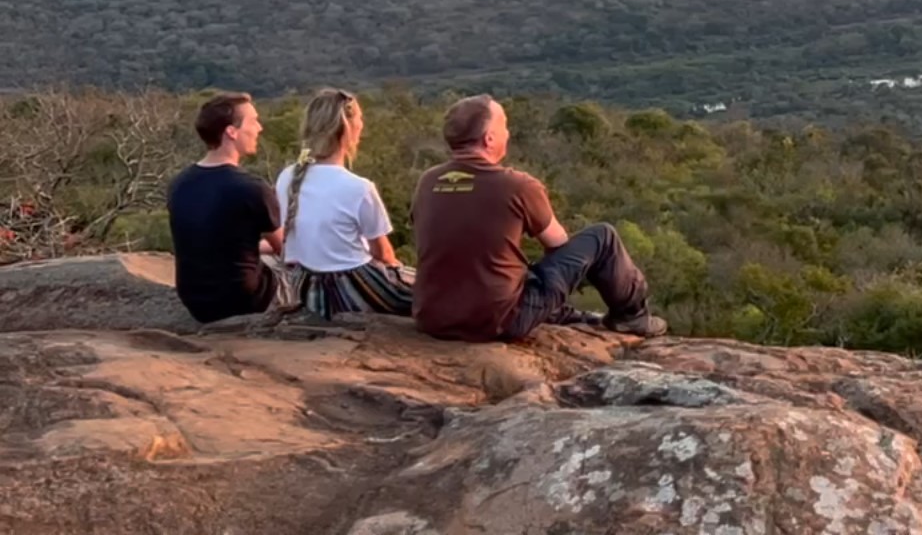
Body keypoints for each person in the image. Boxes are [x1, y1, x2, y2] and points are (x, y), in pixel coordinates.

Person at [410, 95, 665, 342]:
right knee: (603, 237)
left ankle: (558, 313)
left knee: (511, 270)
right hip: (497, 322)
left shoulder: (427, 181)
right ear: (489, 139)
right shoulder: (517, 185)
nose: (508, 134)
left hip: (433, 319)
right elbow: (558, 244)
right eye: (504, 126)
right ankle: (633, 316)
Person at [279, 89, 415, 317]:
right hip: (353, 285)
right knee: (428, 290)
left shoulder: (287, 176)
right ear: (347, 127)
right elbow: (383, 253)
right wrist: (397, 272)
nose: (362, 123)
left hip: (304, 284)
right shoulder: (359, 187)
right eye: (359, 118)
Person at [166, 93, 286, 323]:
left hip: (195, 301)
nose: (259, 128)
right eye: (253, 121)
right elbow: (287, 250)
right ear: (232, 132)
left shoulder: (179, 184)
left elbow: (217, 242)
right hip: (245, 300)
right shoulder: (252, 188)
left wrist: (258, 247)